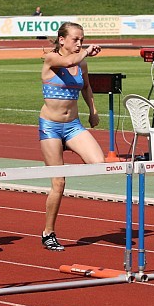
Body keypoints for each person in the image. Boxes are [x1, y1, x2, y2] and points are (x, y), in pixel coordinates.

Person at [39, 22, 104, 251]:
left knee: (99, 164)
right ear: (62, 40)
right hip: (51, 127)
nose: (80, 43)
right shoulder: (51, 59)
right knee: (59, 183)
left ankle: (68, 148)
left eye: (82, 39)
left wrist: (93, 110)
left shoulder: (82, 62)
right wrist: (86, 51)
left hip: (73, 126)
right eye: (76, 39)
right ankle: (48, 232)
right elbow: (68, 62)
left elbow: (86, 87)